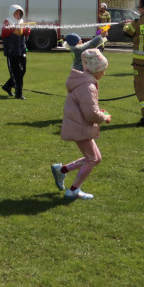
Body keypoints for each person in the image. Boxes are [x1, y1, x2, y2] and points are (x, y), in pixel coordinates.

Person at [50, 48, 111, 200]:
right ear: (95, 70)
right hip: (80, 127)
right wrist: (104, 117)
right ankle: (73, 190)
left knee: (96, 158)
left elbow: (87, 108)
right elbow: (90, 114)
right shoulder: (88, 86)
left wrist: (98, 111)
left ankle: (62, 170)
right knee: (92, 159)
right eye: (103, 70)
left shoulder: (84, 82)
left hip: (79, 125)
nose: (104, 73)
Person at [1, 4, 30, 99]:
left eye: (19, 13)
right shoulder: (7, 21)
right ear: (12, 13)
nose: (18, 15)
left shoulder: (21, 22)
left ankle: (7, 86)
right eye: (16, 13)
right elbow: (4, 33)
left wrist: (27, 30)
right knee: (16, 72)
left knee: (23, 71)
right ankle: (19, 93)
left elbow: (25, 34)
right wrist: (14, 28)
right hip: (12, 51)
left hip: (21, 50)